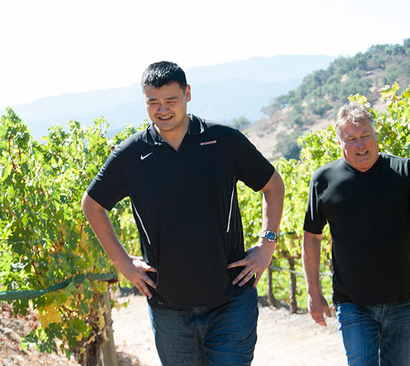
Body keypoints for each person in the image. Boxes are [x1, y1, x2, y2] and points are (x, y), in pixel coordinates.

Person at [81, 61, 284, 365]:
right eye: (153, 102)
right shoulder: (132, 154)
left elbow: (273, 184)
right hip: (168, 308)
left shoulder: (224, 141)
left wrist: (267, 244)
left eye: (170, 100)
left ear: (188, 94)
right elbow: (92, 205)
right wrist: (122, 262)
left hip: (231, 299)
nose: (162, 109)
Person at [302, 102, 410, 365]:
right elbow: (312, 238)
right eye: (351, 138)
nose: (360, 144)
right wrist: (313, 293)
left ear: (376, 135)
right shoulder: (324, 180)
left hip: (404, 302)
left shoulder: (404, 172)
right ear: (340, 142)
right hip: (353, 303)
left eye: (365, 136)